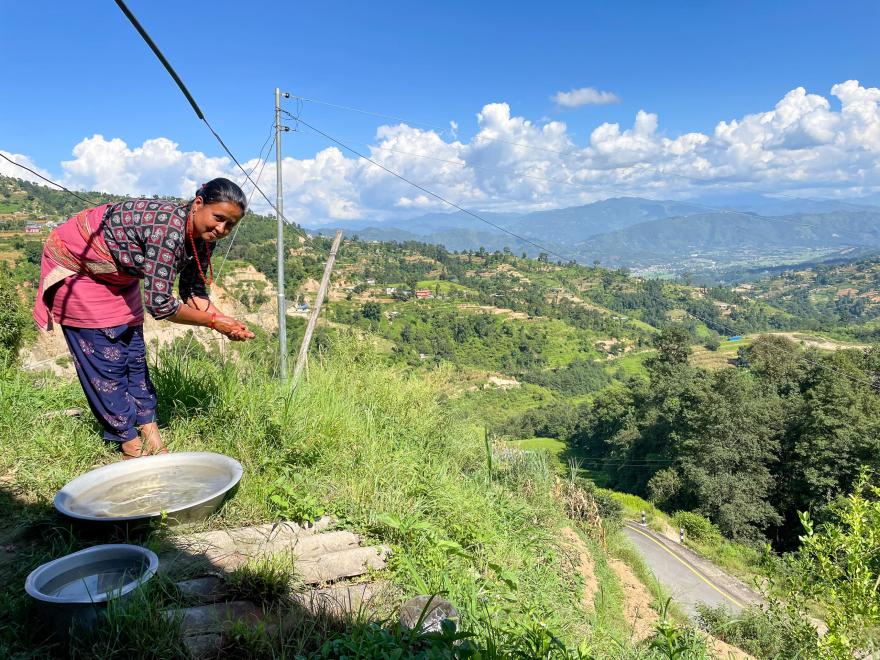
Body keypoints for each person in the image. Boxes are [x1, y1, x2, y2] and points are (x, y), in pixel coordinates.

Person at [33, 178, 255, 458]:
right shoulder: (168, 231)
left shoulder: (203, 237)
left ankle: (151, 436)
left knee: (133, 355)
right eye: (218, 218)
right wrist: (212, 322)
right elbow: (160, 305)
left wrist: (225, 322)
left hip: (119, 271)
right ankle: (129, 444)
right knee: (107, 363)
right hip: (81, 267)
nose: (221, 229)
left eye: (230, 225)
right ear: (198, 204)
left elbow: (192, 290)